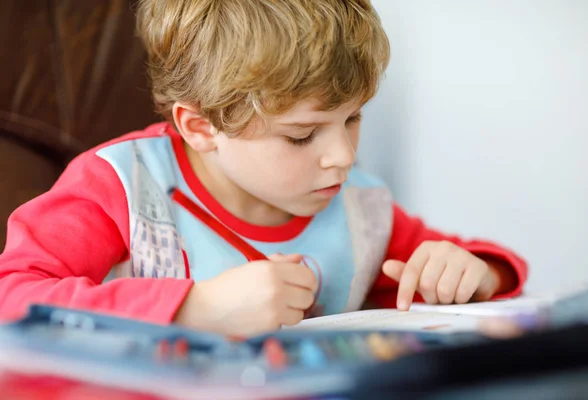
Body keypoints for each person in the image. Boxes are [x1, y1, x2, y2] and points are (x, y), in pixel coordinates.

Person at [0, 0, 527, 338]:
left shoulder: (358, 205)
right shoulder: (119, 184)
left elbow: (477, 270)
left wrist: (478, 272)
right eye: (302, 134)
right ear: (202, 128)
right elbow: (12, 298)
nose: (342, 155)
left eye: (354, 119)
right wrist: (195, 307)